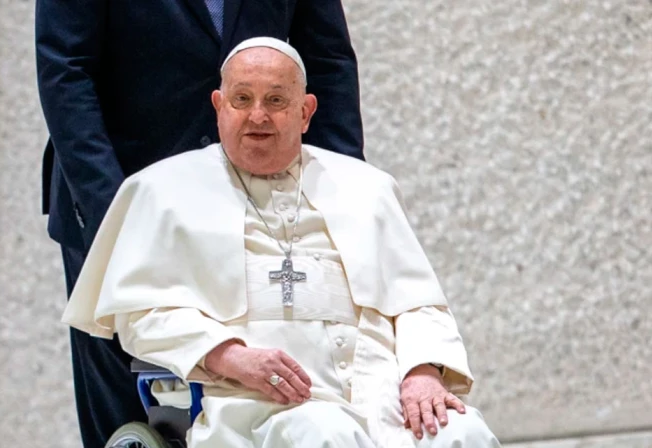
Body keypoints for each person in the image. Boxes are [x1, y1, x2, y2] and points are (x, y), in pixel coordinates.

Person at [63, 37, 500, 447]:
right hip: (253, 401)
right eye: (242, 99)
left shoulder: (369, 188)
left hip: (384, 394)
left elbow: (418, 304)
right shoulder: (162, 191)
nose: (258, 116)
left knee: (463, 433)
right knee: (324, 434)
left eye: (276, 100)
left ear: (306, 112)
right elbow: (142, 315)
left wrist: (422, 371)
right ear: (218, 106)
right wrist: (229, 357)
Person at [35, 1, 363, 446]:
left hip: (262, 210)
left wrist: (344, 196)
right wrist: (116, 215)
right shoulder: (122, 212)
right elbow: (65, 70)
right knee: (129, 417)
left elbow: (328, 60)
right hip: (119, 200)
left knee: (267, 397)